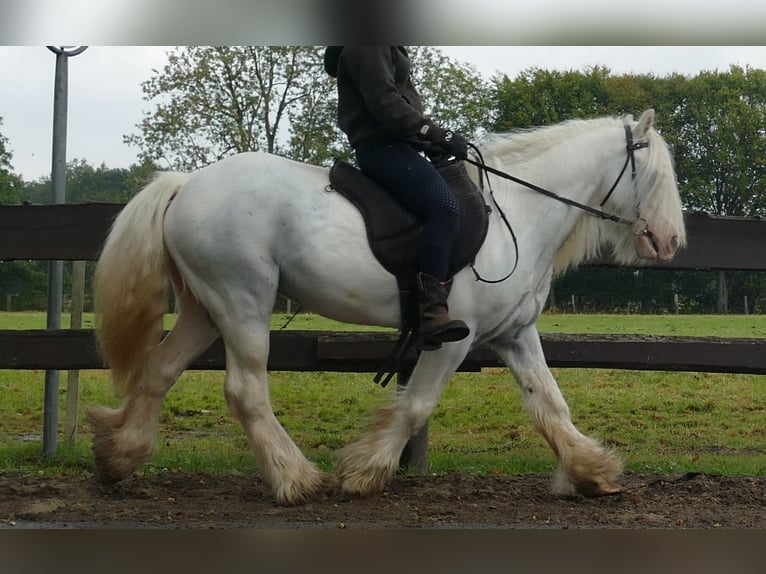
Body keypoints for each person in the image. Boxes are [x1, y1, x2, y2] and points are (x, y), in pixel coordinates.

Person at [325, 45, 470, 349]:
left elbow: (399, 103)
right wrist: (435, 133)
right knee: (444, 208)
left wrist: (425, 140)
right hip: (381, 148)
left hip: (398, 145)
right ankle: (431, 311)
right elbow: (384, 102)